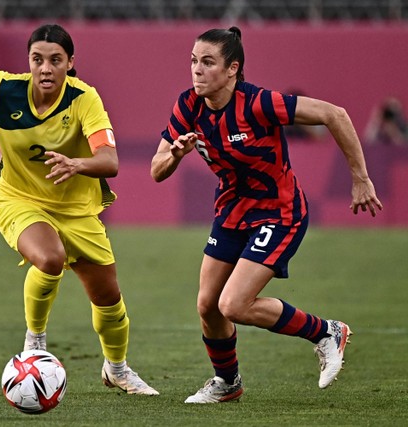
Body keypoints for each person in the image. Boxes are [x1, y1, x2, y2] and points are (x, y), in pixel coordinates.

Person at [0, 23, 158, 395]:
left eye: (55, 60)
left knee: (108, 297)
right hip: (18, 198)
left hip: (75, 208)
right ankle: (35, 343)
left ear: (70, 63)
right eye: (37, 59)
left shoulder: (84, 99)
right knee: (50, 258)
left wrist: (78, 164)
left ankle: (117, 370)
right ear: (28, 62)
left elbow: (110, 161)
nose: (45, 68)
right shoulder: (5, 90)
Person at [150, 27, 383, 403]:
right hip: (231, 212)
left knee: (233, 305)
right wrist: (175, 154)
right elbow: (156, 170)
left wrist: (360, 179)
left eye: (208, 62)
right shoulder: (188, 106)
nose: (196, 70)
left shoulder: (258, 103)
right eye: (193, 61)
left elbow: (333, 114)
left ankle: (326, 332)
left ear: (232, 70)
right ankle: (227, 383)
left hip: (279, 212)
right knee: (208, 305)